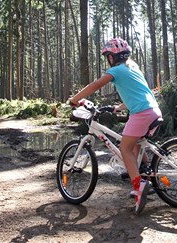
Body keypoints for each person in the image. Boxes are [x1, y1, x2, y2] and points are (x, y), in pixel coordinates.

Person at [69, 37, 162, 215]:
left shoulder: (117, 71)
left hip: (141, 113)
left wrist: (75, 100)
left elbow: (96, 85)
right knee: (136, 145)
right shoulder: (133, 67)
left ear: (112, 57)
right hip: (153, 110)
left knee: (124, 148)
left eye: (108, 57)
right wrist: (118, 107)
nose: (108, 60)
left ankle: (139, 186)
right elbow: (140, 93)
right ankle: (147, 177)